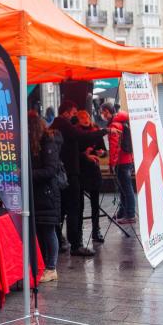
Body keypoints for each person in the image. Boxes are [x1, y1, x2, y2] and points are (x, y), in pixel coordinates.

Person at [50, 100, 109, 257]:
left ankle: (60, 239)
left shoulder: (57, 124)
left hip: (65, 172)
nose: (76, 117)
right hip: (70, 172)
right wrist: (104, 131)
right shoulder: (64, 124)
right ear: (67, 112)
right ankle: (75, 244)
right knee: (73, 208)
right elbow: (81, 137)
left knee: (63, 208)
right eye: (75, 114)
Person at [29, 112, 63, 282]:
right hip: (39, 194)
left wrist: (27, 174)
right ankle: (44, 265)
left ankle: (51, 267)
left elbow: (50, 170)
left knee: (48, 231)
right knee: (42, 231)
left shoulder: (47, 142)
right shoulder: (36, 142)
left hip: (47, 194)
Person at [100, 102, 136, 224]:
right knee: (124, 188)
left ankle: (130, 215)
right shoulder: (122, 121)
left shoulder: (115, 125)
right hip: (128, 159)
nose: (103, 115)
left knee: (126, 189)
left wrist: (112, 164)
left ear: (109, 111)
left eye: (104, 112)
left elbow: (114, 147)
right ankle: (122, 212)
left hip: (121, 161)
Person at [75, 110, 107, 243]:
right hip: (81, 171)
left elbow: (104, 151)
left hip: (93, 171)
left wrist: (101, 152)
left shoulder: (96, 131)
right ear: (78, 119)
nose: (85, 119)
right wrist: (85, 155)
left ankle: (96, 230)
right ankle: (79, 231)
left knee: (95, 204)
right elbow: (73, 152)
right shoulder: (76, 132)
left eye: (87, 117)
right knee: (79, 205)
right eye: (82, 117)